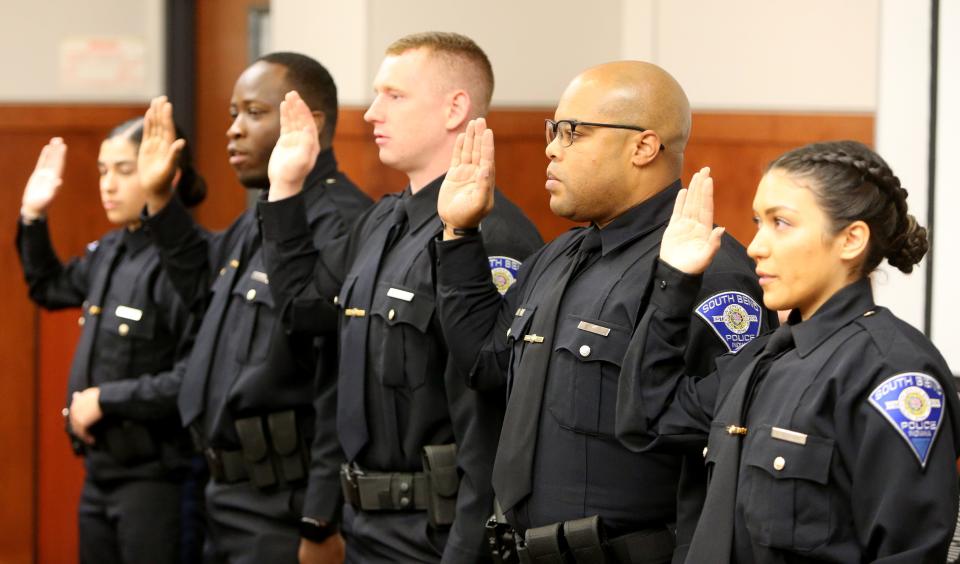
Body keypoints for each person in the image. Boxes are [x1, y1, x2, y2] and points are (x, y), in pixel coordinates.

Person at [434, 61, 773, 563]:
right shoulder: (562, 255)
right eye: (553, 131)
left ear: (643, 146)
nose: (551, 148)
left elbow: (725, 454)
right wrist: (460, 236)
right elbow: (485, 363)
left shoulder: (708, 272)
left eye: (572, 133)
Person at [261, 32, 542, 562]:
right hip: (366, 524)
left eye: (393, 95)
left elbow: (492, 423)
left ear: (454, 108)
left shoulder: (490, 236)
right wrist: (284, 189)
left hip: (434, 537)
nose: (370, 113)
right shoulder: (384, 219)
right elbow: (303, 308)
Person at [618, 141, 960, 562]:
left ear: (851, 239)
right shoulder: (764, 359)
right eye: (758, 222)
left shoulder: (891, 370)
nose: (756, 246)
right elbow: (647, 418)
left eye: (781, 223)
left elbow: (907, 552)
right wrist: (675, 281)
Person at [137, 52, 372, 563]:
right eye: (232, 114)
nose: (234, 131)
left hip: (282, 503)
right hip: (224, 491)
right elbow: (204, 286)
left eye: (254, 113)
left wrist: (319, 517)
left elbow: (341, 382)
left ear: (309, 123)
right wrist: (160, 200)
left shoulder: (342, 222)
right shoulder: (265, 209)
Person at [16, 118, 207, 564]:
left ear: (167, 172)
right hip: (101, 473)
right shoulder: (113, 251)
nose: (109, 185)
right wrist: (33, 215)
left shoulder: (188, 263)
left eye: (124, 170)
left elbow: (192, 379)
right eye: (103, 171)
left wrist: (108, 399)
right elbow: (48, 286)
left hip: (158, 480)